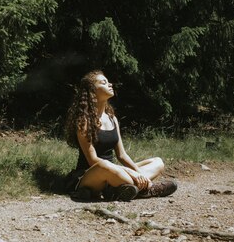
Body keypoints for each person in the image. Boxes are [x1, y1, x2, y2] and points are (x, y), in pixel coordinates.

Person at [64, 70, 178, 201]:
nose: (110, 84)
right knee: (105, 165)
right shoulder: (84, 121)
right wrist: (130, 173)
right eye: (103, 82)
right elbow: (93, 160)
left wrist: (138, 173)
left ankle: (119, 188)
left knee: (157, 162)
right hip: (91, 174)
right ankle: (148, 189)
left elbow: (122, 155)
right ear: (92, 92)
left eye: (108, 81)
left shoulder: (112, 119)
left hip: (115, 172)